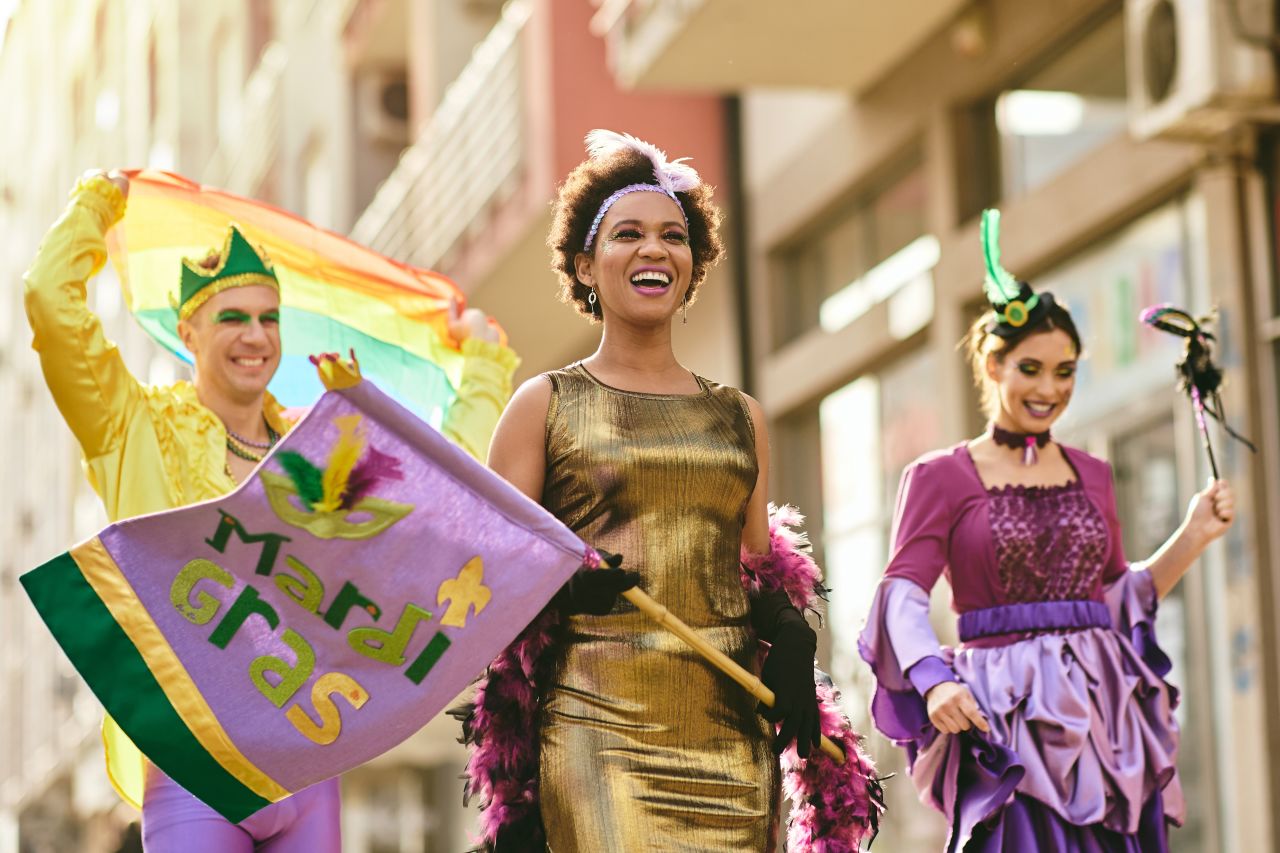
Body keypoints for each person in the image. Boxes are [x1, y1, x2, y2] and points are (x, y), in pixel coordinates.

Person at [23, 170, 518, 850]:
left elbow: (434, 493)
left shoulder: (318, 451)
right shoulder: (132, 426)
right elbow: (51, 305)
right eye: (233, 316)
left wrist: (485, 366)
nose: (255, 335)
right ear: (188, 332)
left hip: (309, 763)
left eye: (268, 318)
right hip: (194, 763)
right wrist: (96, 203)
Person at [471, 130, 824, 852]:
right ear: (585, 266)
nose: (654, 249)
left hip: (730, 728)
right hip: (597, 724)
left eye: (673, 235)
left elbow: (754, 563)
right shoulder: (544, 403)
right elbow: (489, 569)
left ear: (693, 265)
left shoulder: (739, 414)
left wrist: (788, 627)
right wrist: (561, 588)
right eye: (627, 234)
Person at [858, 210, 1236, 851]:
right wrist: (933, 677)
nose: (1049, 388)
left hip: (1103, 714)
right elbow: (902, 592)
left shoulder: (1092, 473)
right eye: (1030, 368)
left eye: (1065, 372)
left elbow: (1117, 599)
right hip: (1007, 715)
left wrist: (1193, 535)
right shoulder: (940, 476)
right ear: (993, 366)